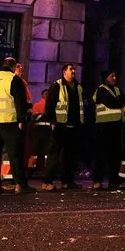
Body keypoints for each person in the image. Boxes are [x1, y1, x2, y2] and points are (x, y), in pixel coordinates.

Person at [0, 59, 35, 194]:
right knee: (15, 154)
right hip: (9, 122)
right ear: (13, 67)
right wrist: (22, 120)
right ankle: (20, 184)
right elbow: (20, 102)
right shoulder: (14, 79)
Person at [41, 64, 85, 192]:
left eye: (74, 70)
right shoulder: (57, 86)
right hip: (60, 125)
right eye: (71, 69)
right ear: (64, 72)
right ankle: (47, 181)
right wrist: (52, 121)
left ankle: (68, 181)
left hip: (74, 126)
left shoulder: (78, 87)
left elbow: (80, 106)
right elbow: (49, 105)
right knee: (54, 154)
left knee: (70, 156)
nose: (73, 72)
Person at [92, 70, 125, 189]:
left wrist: (119, 100)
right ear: (105, 78)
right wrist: (119, 101)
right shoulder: (102, 90)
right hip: (104, 126)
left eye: (115, 75)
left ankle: (113, 180)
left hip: (116, 125)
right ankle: (97, 180)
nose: (114, 77)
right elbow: (112, 103)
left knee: (115, 154)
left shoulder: (117, 89)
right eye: (111, 76)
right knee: (101, 154)